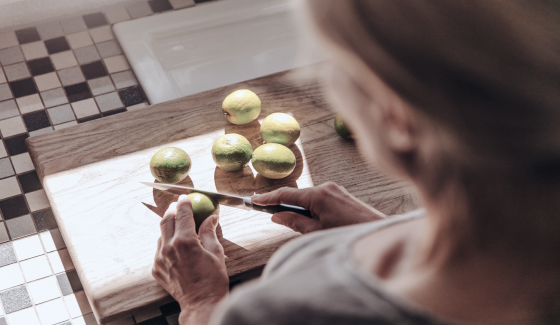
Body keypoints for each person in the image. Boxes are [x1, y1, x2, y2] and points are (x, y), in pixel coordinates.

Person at [151, 0, 560, 324]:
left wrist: (202, 305)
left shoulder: (279, 311)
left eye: (338, 65)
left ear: (396, 117)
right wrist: (382, 231)